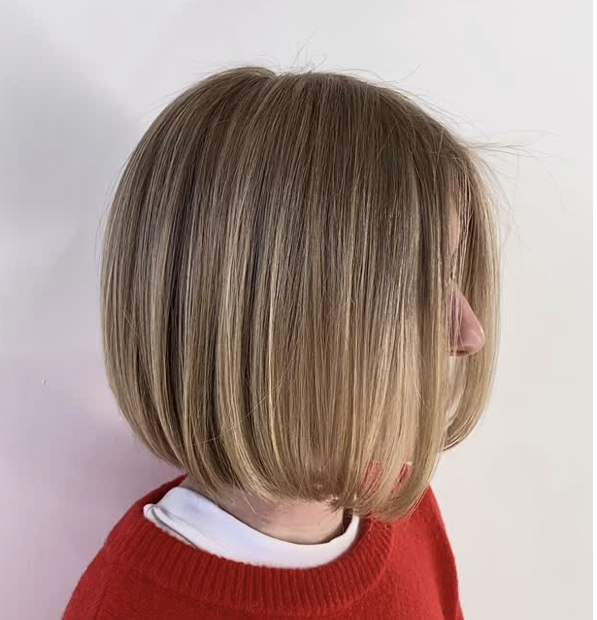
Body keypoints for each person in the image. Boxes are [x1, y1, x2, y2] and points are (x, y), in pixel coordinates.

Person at [61, 64, 500, 619]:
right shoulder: (131, 608)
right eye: (410, 282)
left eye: (449, 273)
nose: (469, 332)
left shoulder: (400, 505)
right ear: (276, 316)